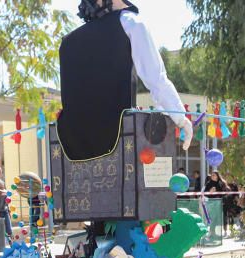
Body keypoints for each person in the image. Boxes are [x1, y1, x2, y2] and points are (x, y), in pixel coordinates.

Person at [55, 0, 193, 161]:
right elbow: (156, 79)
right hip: (119, 143)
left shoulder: (67, 42)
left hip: (71, 147)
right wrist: (180, 118)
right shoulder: (131, 23)